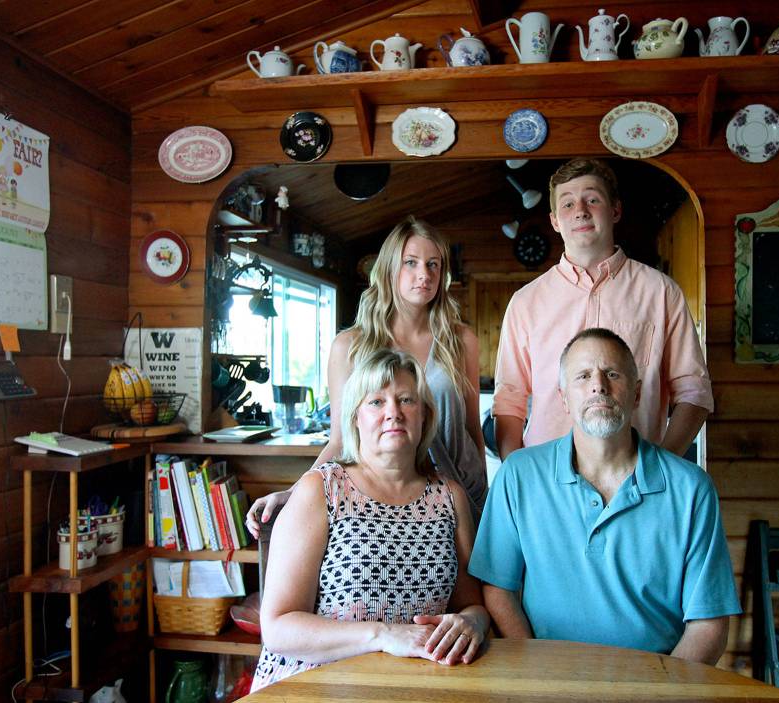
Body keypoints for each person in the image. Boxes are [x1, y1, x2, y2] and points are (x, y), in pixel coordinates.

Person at [470, 328, 739, 665]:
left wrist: (666, 688)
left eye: (612, 374)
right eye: (583, 376)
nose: (598, 385)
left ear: (636, 394)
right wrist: (536, 672)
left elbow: (709, 624)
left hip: (655, 684)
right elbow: (497, 589)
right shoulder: (518, 475)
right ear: (563, 398)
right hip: (546, 678)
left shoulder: (691, 489)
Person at [252, 349, 489, 691]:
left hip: (416, 686)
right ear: (355, 418)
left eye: (406, 400)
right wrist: (383, 635)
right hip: (313, 685)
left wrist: (472, 624)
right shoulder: (322, 489)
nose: (394, 412)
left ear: (424, 415)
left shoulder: (450, 498)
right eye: (376, 402)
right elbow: (277, 628)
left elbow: (472, 606)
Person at [247, 216, 487, 536]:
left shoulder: (461, 340)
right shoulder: (350, 346)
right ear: (389, 269)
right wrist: (294, 493)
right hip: (385, 494)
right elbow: (340, 440)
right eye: (411, 263)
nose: (424, 274)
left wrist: (489, 496)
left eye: (433, 264)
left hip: (463, 491)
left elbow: (472, 428)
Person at [492, 158, 713, 459]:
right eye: (567, 204)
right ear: (555, 221)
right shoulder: (525, 302)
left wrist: (661, 466)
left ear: (615, 210)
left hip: (637, 475)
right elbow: (509, 399)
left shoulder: (661, 293)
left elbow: (694, 391)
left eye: (593, 199)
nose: (580, 210)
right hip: (545, 476)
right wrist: (516, 473)